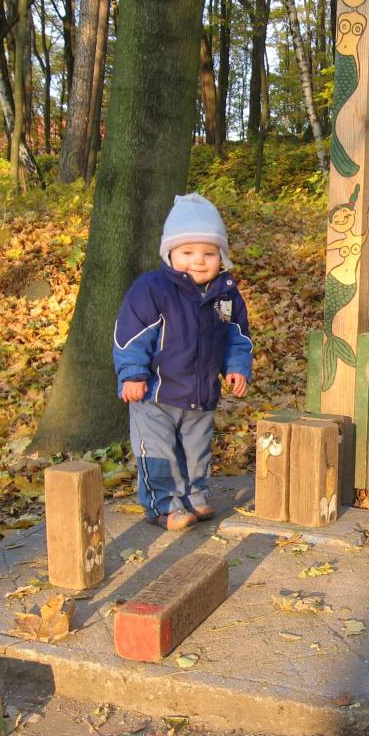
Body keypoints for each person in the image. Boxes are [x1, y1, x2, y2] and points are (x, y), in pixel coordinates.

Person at [113, 193, 252, 531]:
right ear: (170, 253)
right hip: (154, 394)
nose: (199, 261)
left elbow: (236, 335)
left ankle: (193, 496)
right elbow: (131, 334)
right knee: (158, 453)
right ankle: (163, 507)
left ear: (221, 256)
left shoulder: (226, 295)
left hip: (200, 393)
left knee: (196, 451)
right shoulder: (152, 289)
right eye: (187, 253)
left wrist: (236, 367)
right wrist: (132, 374)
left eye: (209, 253)